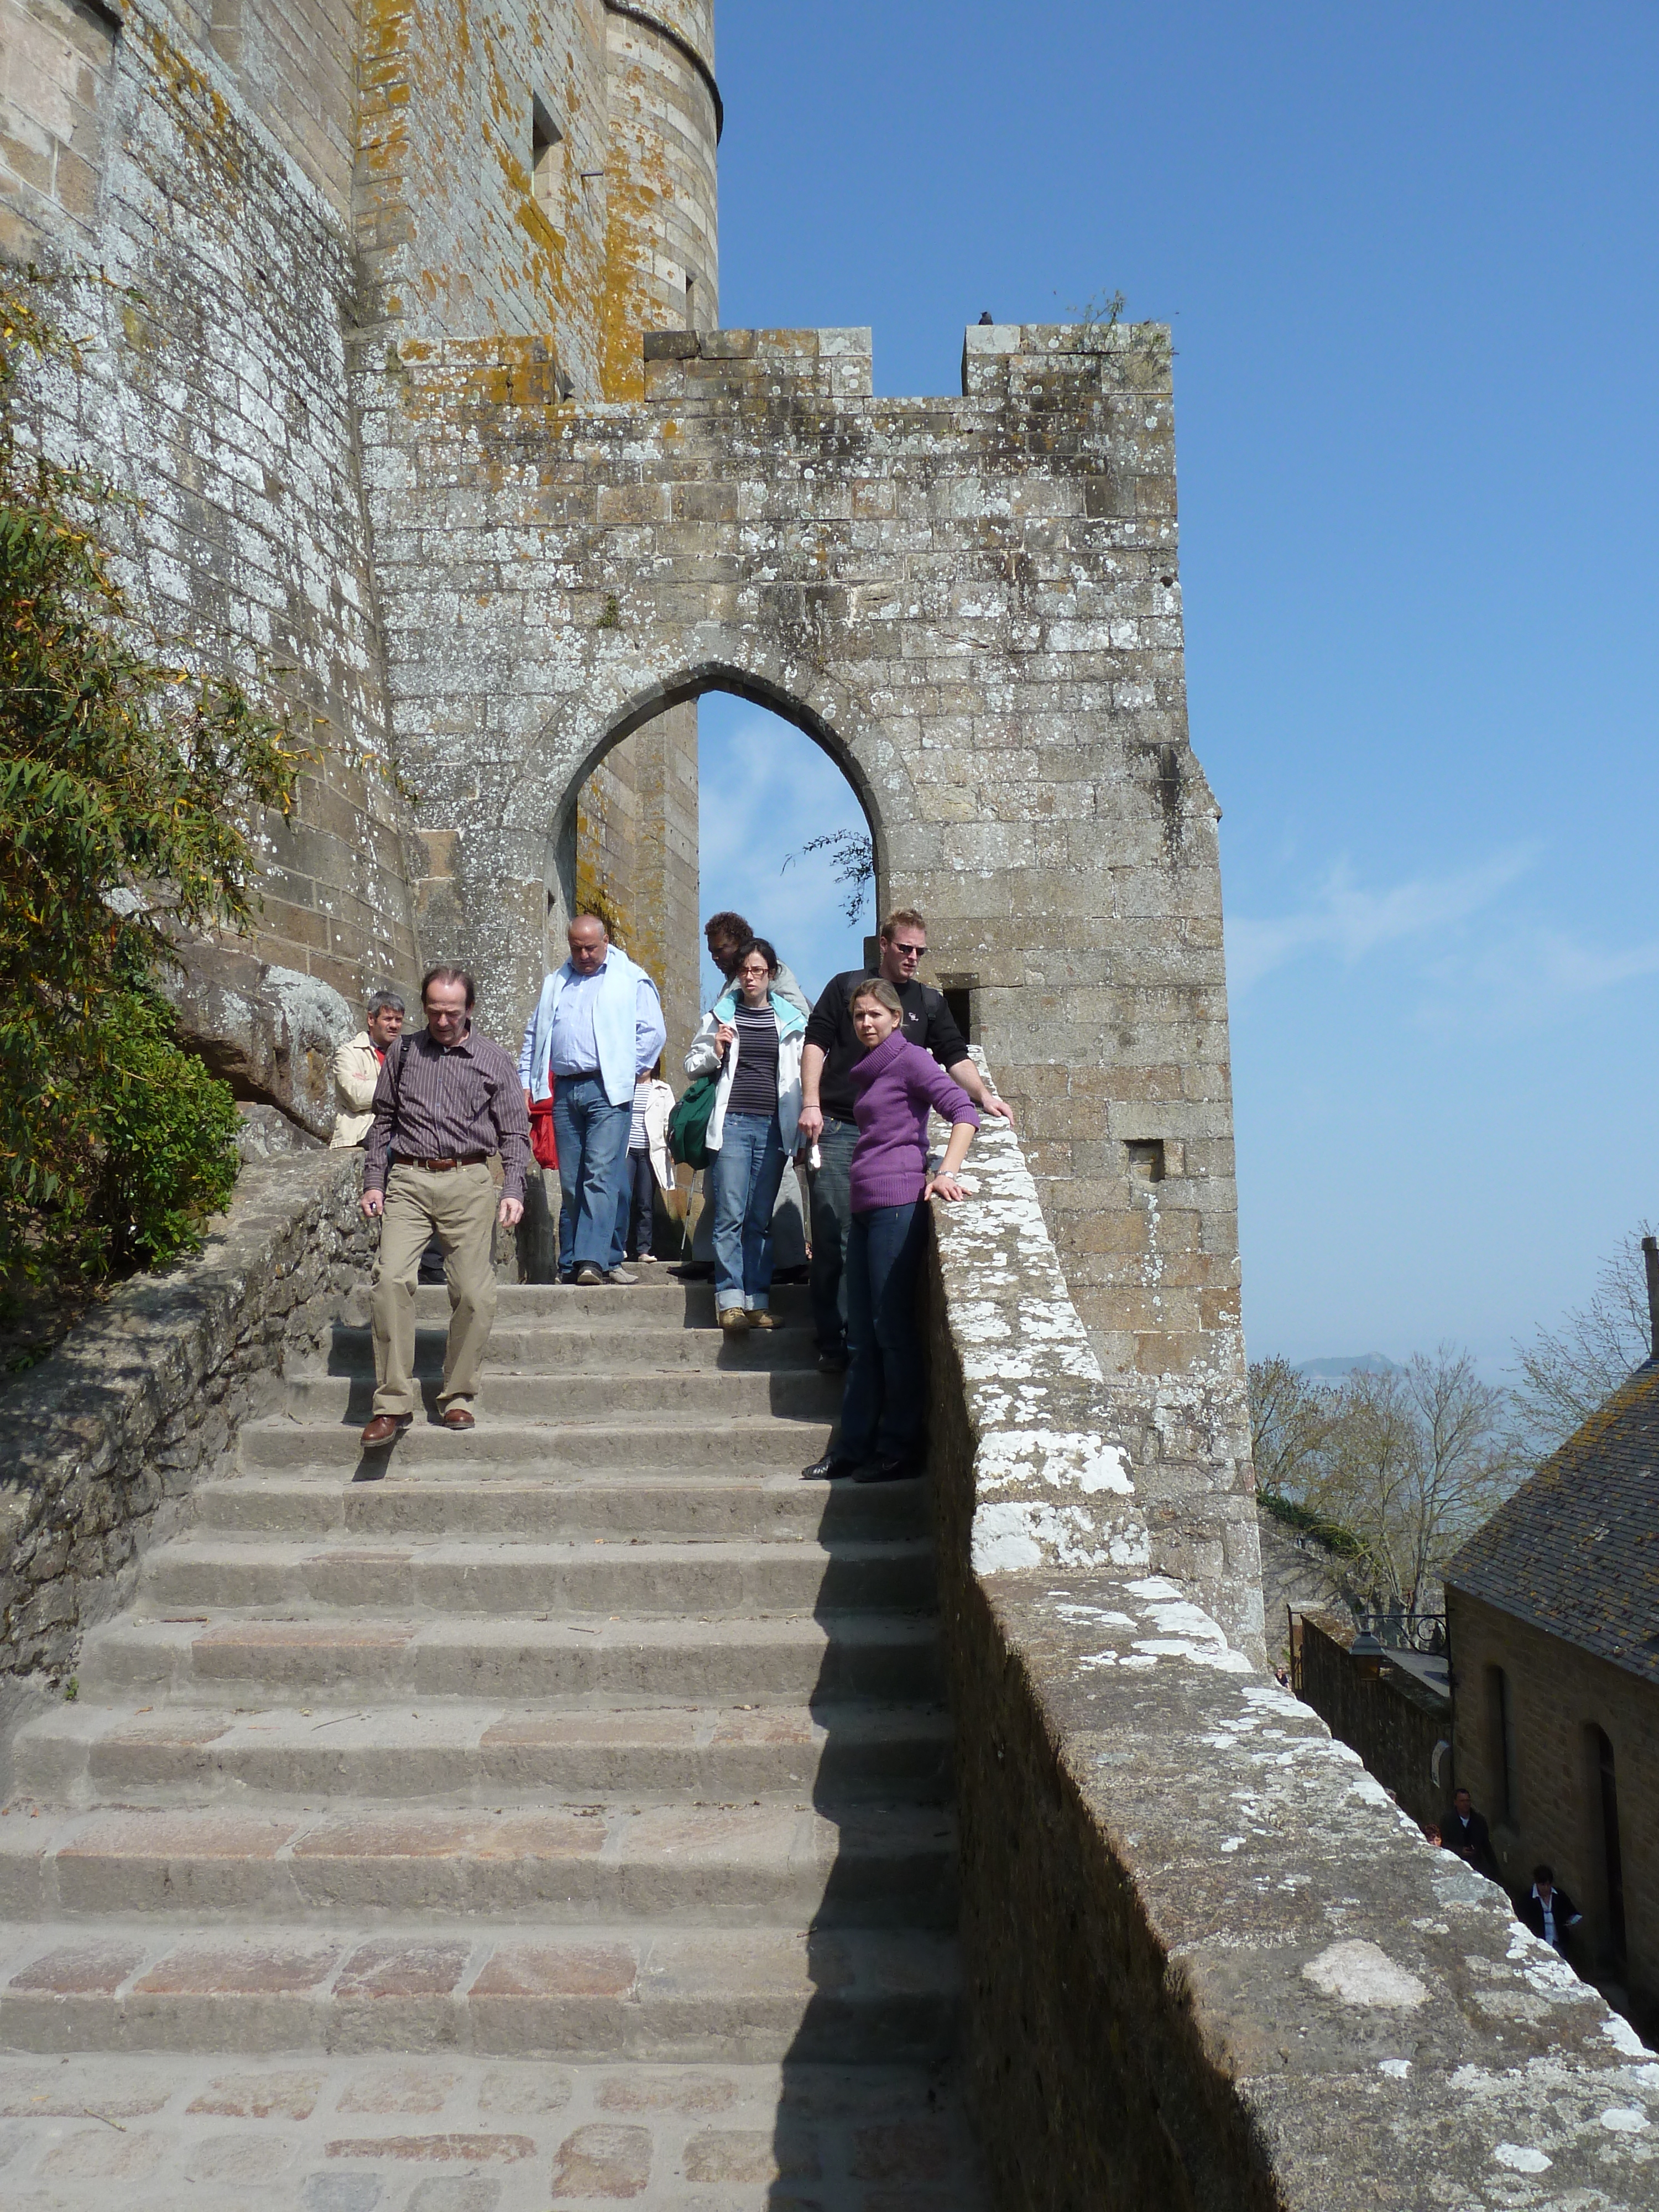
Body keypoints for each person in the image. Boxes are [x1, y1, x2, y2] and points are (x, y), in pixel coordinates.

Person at [797, 909, 1013, 1375]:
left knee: (866, 1253)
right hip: (837, 1124)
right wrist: (811, 1102)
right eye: (905, 949)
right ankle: (833, 1342)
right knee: (833, 1241)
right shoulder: (846, 987)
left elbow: (953, 1056)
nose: (914, 958)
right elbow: (815, 1042)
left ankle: (862, 1343)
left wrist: (984, 1096)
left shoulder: (929, 1003)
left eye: (921, 951)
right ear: (884, 945)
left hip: (891, 1140)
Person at [803, 978, 978, 1484]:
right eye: (859, 1016)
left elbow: (962, 1112)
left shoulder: (912, 1059)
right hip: (864, 1205)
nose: (865, 1024)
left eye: (875, 1015)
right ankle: (853, 1448)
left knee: (890, 1331)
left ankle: (899, 1447)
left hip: (898, 1204)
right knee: (860, 1337)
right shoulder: (869, 1069)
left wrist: (946, 1172)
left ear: (897, 1019)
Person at [358, 967, 530, 1451]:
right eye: (434, 1010)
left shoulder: (493, 1059)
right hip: (409, 1179)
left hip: (469, 1179)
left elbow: (515, 1133)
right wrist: (375, 1179)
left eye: (452, 1012)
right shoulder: (405, 1052)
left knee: (475, 1293)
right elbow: (384, 1120)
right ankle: (392, 1403)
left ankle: (458, 1394)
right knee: (390, 1278)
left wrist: (512, 1188)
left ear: (469, 1009)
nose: (442, 1020)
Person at [519, 915, 667, 1286]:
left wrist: (623, 1070)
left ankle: (591, 1261)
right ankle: (581, 1260)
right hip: (566, 1087)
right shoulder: (557, 982)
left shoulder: (630, 978)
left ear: (605, 942)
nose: (584, 955)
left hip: (608, 1089)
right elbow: (535, 1034)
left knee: (600, 1175)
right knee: (573, 1181)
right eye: (577, 948)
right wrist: (526, 1081)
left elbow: (652, 1032)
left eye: (591, 948)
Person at [684, 938, 807, 1336]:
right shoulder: (721, 1015)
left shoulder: (790, 1021)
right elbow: (691, 1064)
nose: (750, 978)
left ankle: (758, 1303)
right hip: (733, 1124)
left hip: (773, 1127)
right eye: (744, 971)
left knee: (759, 1219)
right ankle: (730, 1301)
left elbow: (801, 1078)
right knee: (730, 1216)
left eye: (758, 971)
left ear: (771, 974)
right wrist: (715, 1052)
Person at [618, 1061, 675, 1263]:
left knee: (645, 1202)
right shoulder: (625, 1085)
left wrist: (672, 1147)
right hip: (627, 1150)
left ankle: (643, 1250)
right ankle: (619, 1247)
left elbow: (670, 1121)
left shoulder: (663, 1090)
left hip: (651, 1152)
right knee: (622, 1198)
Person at [330, 992, 405, 1147]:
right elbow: (355, 1095)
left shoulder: (408, 1055)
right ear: (371, 1019)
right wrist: (400, 1088)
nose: (394, 1025)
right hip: (362, 1134)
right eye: (388, 1019)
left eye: (398, 1020)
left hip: (400, 1129)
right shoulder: (349, 1052)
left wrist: (371, 1085)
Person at [1516, 1866, 1582, 1955]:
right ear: (1537, 1884)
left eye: (1549, 1885)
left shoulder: (1559, 1895)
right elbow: (1521, 1920)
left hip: (1558, 1943)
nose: (1546, 1888)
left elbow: (1573, 1913)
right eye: (1543, 1885)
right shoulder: (1528, 1899)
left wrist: (1570, 1922)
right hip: (1538, 1943)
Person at [1442, 1787, 1501, 1880]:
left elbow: (1486, 1846)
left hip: (1476, 1866)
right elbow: (1443, 1843)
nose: (1465, 1804)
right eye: (1462, 1801)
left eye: (1467, 1801)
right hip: (1455, 1866)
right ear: (1455, 1803)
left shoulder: (1479, 1820)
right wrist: (1460, 1850)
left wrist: (1495, 1871)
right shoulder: (1447, 1821)